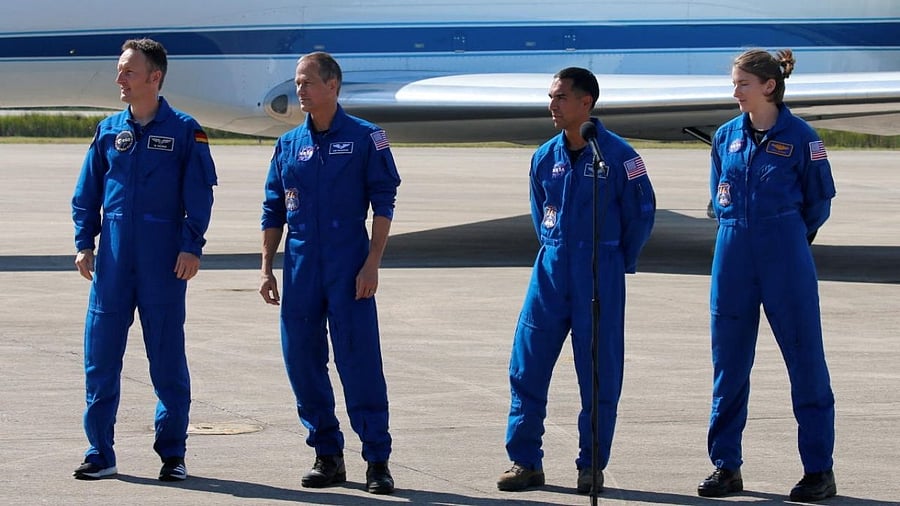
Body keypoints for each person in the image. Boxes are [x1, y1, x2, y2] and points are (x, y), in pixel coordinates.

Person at [497, 67, 656, 494]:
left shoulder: (620, 157)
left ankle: (591, 465)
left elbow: (642, 215)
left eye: (560, 97)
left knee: (599, 375)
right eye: (551, 97)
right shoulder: (544, 156)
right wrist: (556, 248)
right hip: (550, 272)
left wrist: (615, 259)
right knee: (526, 369)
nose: (552, 105)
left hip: (599, 273)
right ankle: (524, 461)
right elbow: (539, 213)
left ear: (586, 102)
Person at [71, 38, 217, 481]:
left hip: (163, 264)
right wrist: (85, 242)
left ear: (155, 78)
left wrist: (192, 246)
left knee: (167, 361)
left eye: (128, 72)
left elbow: (200, 195)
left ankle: (172, 453)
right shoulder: (108, 131)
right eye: (120, 70)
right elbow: (87, 193)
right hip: (113, 264)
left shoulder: (185, 131)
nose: (119, 79)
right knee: (100, 360)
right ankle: (101, 451)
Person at [698, 48, 837, 502]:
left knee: (805, 362)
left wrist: (789, 236)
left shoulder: (802, 138)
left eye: (742, 84)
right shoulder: (725, 136)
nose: (734, 91)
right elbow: (718, 195)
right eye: (735, 83)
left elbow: (817, 203)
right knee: (729, 365)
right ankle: (725, 465)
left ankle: (818, 470)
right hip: (732, 254)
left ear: (768, 87)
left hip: (784, 255)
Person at [259, 51, 401, 495]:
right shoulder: (288, 145)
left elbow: (384, 201)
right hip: (300, 266)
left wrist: (372, 262)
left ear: (333, 86)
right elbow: (273, 209)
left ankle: (377, 459)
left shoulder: (366, 138)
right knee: (303, 363)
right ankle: (326, 454)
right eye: (298, 82)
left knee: (359, 362)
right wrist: (267, 267)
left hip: (349, 264)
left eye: (307, 82)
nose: (299, 90)